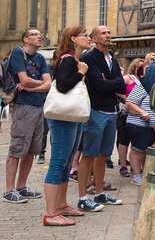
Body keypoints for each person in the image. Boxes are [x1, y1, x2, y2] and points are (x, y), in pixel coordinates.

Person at [43, 26, 91, 226]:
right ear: (73, 38)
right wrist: (80, 73)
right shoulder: (68, 59)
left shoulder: (75, 60)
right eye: (85, 35)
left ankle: (61, 205)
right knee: (58, 162)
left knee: (66, 162)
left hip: (72, 117)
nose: (89, 38)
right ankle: (50, 213)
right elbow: (62, 85)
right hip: (64, 117)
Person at [77, 26, 125, 211]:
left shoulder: (112, 57)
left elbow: (121, 85)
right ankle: (82, 196)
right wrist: (111, 83)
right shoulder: (89, 57)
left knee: (104, 155)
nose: (108, 35)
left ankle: (99, 192)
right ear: (94, 38)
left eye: (109, 32)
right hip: (96, 111)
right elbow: (98, 84)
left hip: (112, 111)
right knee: (89, 154)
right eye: (103, 33)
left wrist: (110, 82)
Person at [3, 28, 51, 204]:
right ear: (25, 39)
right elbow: (24, 80)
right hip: (23, 106)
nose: (40, 37)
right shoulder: (17, 53)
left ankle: (22, 187)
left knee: (32, 150)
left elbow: (49, 85)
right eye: (35, 35)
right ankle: (9, 191)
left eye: (40, 35)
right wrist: (41, 84)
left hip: (39, 106)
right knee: (17, 148)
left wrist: (34, 86)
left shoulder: (39, 58)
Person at [125, 81, 155, 186]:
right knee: (137, 150)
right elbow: (129, 102)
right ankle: (136, 176)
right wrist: (142, 112)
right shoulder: (145, 85)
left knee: (147, 152)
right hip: (140, 123)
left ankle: (145, 174)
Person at [117, 58, 144, 178]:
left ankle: (135, 165)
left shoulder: (143, 80)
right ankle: (123, 165)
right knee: (124, 140)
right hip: (126, 112)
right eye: (140, 66)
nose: (142, 69)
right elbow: (117, 91)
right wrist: (125, 100)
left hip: (138, 113)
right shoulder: (128, 78)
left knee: (136, 141)